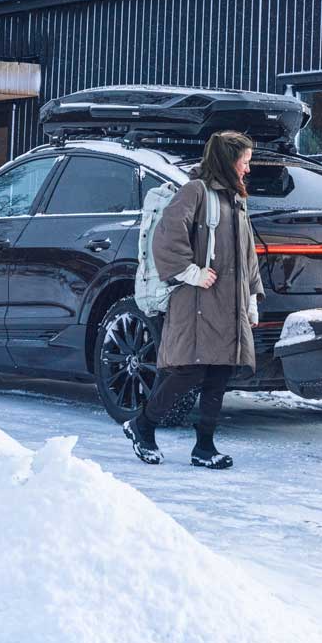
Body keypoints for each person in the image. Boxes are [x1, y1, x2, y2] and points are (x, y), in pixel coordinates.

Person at [123, 130, 265, 469]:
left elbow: (247, 256)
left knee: (219, 373)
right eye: (244, 162)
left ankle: (204, 447)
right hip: (199, 299)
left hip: (228, 303)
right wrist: (191, 273)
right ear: (229, 161)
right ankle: (142, 425)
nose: (248, 169)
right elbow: (166, 239)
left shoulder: (235, 198)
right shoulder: (195, 191)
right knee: (189, 371)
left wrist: (251, 301)